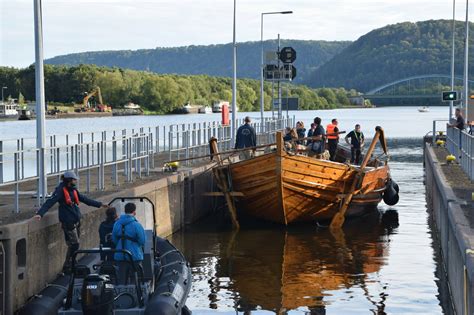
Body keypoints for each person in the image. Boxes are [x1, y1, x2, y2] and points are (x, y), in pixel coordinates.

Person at [34, 171, 107, 273]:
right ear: (69, 180)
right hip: (68, 222)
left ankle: (71, 263)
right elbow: (50, 202)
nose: (75, 181)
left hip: (75, 220)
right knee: (74, 244)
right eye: (74, 180)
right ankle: (68, 265)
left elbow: (85, 199)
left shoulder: (73, 190)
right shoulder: (60, 191)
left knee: (73, 244)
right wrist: (40, 213)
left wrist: (100, 204)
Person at [112, 202, 146, 284]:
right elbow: (142, 240)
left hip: (120, 254)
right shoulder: (137, 225)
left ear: (124, 211)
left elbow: (114, 239)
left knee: (121, 278)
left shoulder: (117, 224)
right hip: (134, 256)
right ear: (134, 212)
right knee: (135, 277)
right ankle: (135, 293)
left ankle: (121, 293)